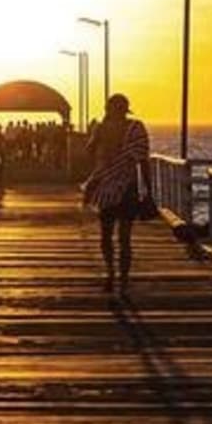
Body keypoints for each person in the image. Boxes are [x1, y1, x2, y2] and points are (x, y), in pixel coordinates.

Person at [81, 93, 151, 294]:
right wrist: (149, 190)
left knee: (107, 235)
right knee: (124, 238)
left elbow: (89, 152)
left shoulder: (103, 128)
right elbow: (143, 160)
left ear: (108, 110)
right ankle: (123, 280)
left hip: (107, 188)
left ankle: (112, 274)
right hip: (128, 188)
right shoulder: (136, 128)